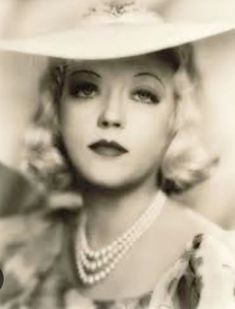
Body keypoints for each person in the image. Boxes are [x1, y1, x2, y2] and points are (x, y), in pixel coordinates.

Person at [0, 1, 235, 308]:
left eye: (143, 94)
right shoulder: (12, 247)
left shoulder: (216, 267)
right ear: (56, 109)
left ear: (177, 118)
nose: (111, 116)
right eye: (86, 89)